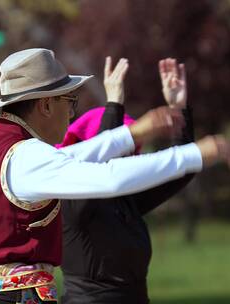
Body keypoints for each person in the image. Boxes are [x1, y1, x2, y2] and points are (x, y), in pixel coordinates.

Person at [0, 48, 230, 304]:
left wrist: (131, 134)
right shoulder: (26, 155)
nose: (71, 113)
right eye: (70, 101)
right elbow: (110, 177)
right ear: (46, 105)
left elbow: (70, 158)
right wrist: (192, 154)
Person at [59, 57, 195, 303]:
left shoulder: (125, 200)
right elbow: (97, 166)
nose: (130, 155)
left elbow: (181, 169)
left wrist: (179, 108)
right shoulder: (71, 200)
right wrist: (113, 105)